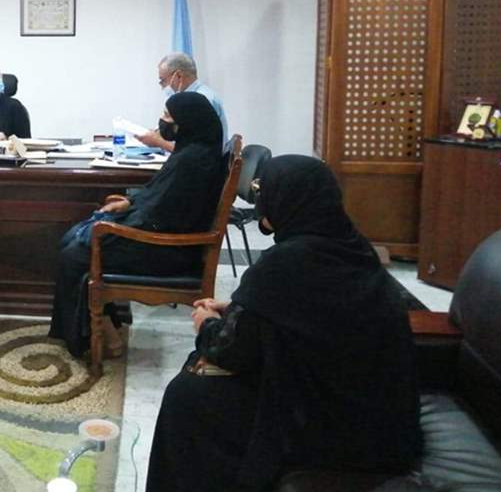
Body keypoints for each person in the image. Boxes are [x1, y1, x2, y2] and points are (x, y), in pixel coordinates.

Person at [146, 155, 421, 492]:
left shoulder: (285, 262)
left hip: (335, 428)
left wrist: (206, 323)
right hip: (382, 421)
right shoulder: (351, 244)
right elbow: (312, 312)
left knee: (188, 395)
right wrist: (240, 306)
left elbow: (229, 351)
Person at [48, 92, 225, 358]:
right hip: (164, 238)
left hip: (170, 251)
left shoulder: (193, 161)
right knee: (75, 239)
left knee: (74, 254)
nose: (162, 121)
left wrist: (118, 225)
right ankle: (105, 328)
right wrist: (129, 204)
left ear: (187, 121)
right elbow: (158, 196)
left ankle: (104, 337)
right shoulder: (193, 151)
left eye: (168, 116)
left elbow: (160, 214)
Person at [137, 53, 227, 151]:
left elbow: (193, 151)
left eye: (163, 80)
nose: (162, 87)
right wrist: (158, 134)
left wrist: (158, 142)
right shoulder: (188, 99)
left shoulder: (200, 101)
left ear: (179, 76)